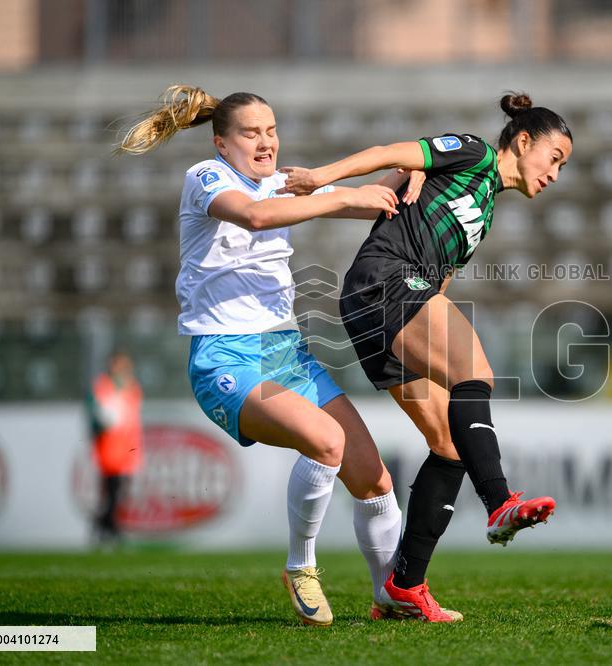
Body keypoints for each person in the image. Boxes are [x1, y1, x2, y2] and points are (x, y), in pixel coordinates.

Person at [116, 84, 441, 626]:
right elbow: (256, 217)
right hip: (227, 360)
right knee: (325, 440)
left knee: (375, 480)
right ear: (222, 143)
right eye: (251, 132)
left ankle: (392, 596)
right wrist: (341, 196)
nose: (266, 141)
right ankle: (300, 566)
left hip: (287, 353)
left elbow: (370, 199)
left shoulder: (276, 181)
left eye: (271, 130)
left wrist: (411, 172)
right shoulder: (207, 178)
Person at [279, 92, 573, 622]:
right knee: (475, 372)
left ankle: (404, 583)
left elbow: (441, 275)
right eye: (554, 159)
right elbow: (388, 152)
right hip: (385, 283)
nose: (555, 174)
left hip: (388, 304)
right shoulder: (475, 153)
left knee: (449, 442)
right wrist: (320, 178)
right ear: (523, 141)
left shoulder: (482, 207)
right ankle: (500, 501)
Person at [86, 350, 143, 547]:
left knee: (120, 493)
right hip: (109, 449)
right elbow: (94, 417)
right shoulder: (102, 386)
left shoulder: (132, 387)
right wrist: (100, 425)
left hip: (128, 448)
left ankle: (106, 528)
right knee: (112, 492)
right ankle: (108, 529)